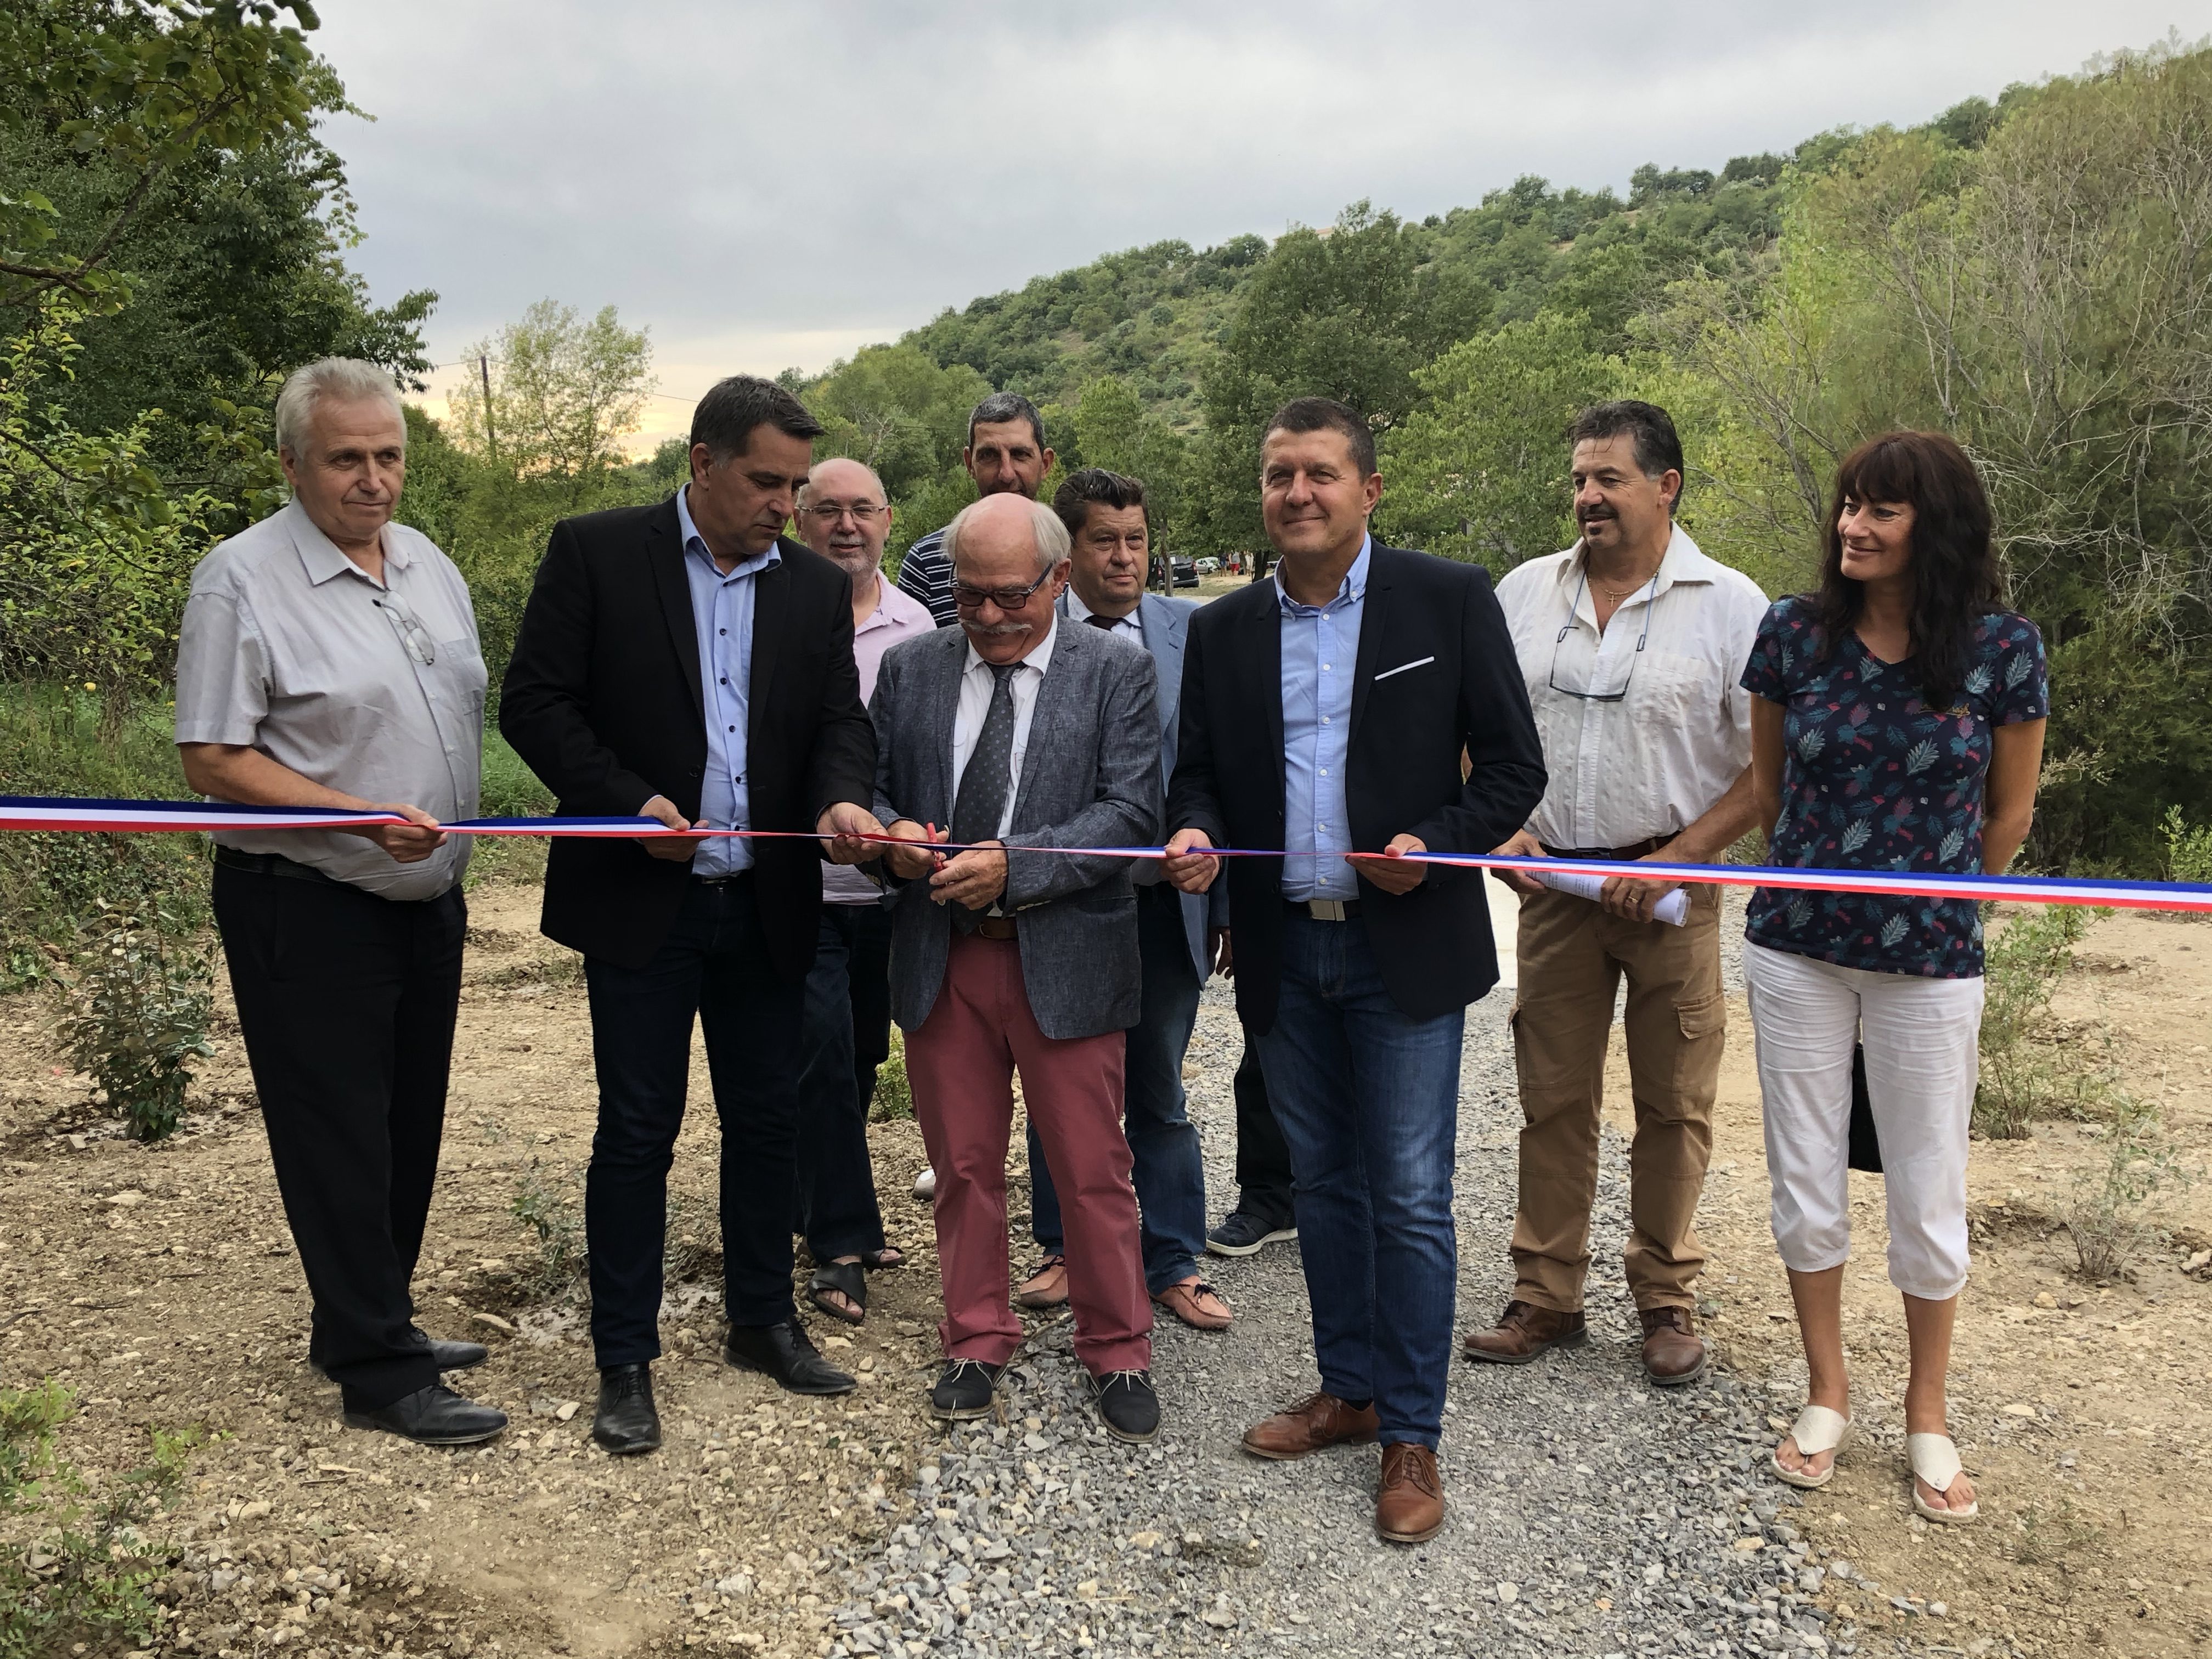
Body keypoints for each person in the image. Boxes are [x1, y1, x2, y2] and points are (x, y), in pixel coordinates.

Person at [1164, 397, 1546, 1544]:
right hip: (1287, 948)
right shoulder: (1223, 630)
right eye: (1280, 475)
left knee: (1413, 1198)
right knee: (1324, 1185)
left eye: (1321, 474)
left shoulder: (1448, 598)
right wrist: (1194, 840)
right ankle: (1349, 1390)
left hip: (1405, 948)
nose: (1298, 494)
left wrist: (1436, 846)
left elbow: (1516, 769)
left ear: (1368, 489)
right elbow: (1198, 777)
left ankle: (1412, 1436)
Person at [500, 376, 887, 1457]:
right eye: (766, 480)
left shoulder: (811, 588)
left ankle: (763, 1320)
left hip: (764, 901)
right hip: (642, 906)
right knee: (637, 1131)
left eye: (796, 484)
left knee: (769, 1121)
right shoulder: (596, 552)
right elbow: (533, 701)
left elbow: (836, 725)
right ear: (702, 462)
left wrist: (843, 796)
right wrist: (624, 805)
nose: (785, 503)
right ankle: (625, 1360)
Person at [175, 358, 503, 1446]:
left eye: (389, 456)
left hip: (424, 900)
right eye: (346, 458)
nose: (373, 480)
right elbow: (214, 757)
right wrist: (353, 812)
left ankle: (367, 1319)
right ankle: (378, 1374)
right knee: (339, 1133)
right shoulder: (241, 580)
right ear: (292, 464)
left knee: (408, 1124)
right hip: (308, 896)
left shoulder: (427, 567)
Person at [1746, 431, 2045, 1527]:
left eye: (1881, 511)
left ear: (1940, 524)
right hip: (1797, 953)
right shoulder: (1794, 635)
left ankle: (1928, 1410)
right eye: (1847, 507)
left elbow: (2007, 816)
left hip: (1930, 963)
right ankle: (1827, 1392)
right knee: (1805, 1177)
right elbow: (1773, 791)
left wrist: (1941, 906)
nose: (1852, 528)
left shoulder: (2005, 650)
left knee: (1928, 1188)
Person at [1464, 401, 1769, 1387]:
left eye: (1609, 479)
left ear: (1666, 485)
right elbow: (1470, 721)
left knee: (1674, 1102)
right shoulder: (1521, 593)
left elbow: (1766, 771)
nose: (1588, 497)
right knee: (1552, 1096)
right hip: (1553, 883)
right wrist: (1493, 825)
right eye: (1579, 480)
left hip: (1675, 892)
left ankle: (1665, 1296)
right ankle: (1545, 1293)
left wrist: (1678, 859)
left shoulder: (1730, 605)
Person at [870, 493, 1164, 1443]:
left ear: (1058, 580)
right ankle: (975, 1335)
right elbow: (873, 790)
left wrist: (1018, 863)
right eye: (971, 597)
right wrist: (894, 836)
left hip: (1067, 958)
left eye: (1011, 598)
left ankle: (1118, 1346)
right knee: (960, 1165)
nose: (990, 619)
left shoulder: (1116, 670)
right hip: (942, 958)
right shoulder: (912, 666)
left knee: (1091, 1168)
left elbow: (1130, 817)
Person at [1012, 469, 1232, 1332]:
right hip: (1064, 907)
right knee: (1061, 1087)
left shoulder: (1193, 632)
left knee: (1162, 1089)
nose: (1125, 556)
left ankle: (1173, 1258)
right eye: (1105, 540)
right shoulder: (1030, 639)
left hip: (1164, 905)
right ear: (1068, 555)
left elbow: (1217, 774)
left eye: (1137, 539)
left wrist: (1223, 898)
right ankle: (1065, 1248)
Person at [789, 457, 934, 1323]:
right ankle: (843, 1239)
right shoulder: (778, 616)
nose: (848, 526)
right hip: (799, 890)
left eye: (863, 511)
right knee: (817, 1056)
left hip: (889, 892)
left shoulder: (920, 629)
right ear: (799, 519)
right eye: (828, 510)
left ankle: (816, 1206)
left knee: (857, 1056)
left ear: (889, 519)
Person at [894, 391, 1056, 629]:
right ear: (970, 464)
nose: (1006, 474)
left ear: (1045, 464)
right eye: (989, 456)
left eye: (1020, 455)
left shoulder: (1075, 554)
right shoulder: (927, 562)